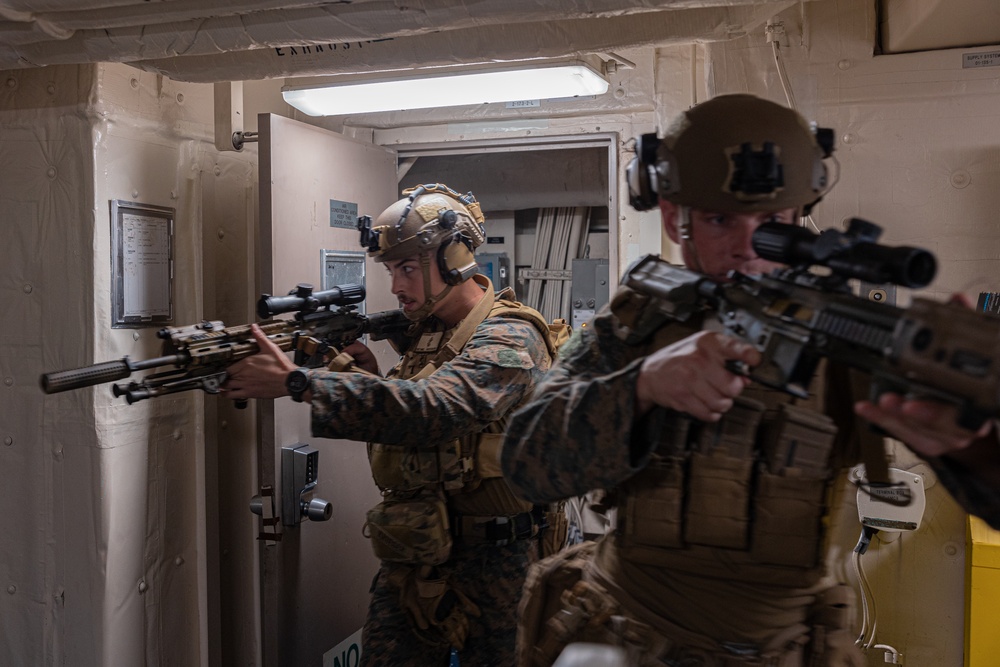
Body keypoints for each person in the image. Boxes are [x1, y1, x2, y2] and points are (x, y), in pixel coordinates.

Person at [501, 94, 1000, 667]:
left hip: (779, 646)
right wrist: (641, 388)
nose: (748, 246)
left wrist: (972, 446)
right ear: (673, 217)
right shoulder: (636, 325)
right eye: (719, 219)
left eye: (773, 224)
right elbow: (524, 463)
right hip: (628, 631)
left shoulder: (844, 341)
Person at [224, 183, 567, 667]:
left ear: (455, 258)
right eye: (391, 270)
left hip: (502, 557)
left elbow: (437, 408)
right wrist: (354, 374)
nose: (396, 286)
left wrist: (301, 383)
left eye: (408, 268)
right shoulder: (430, 330)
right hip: (419, 549)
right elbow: (413, 427)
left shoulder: (511, 333)